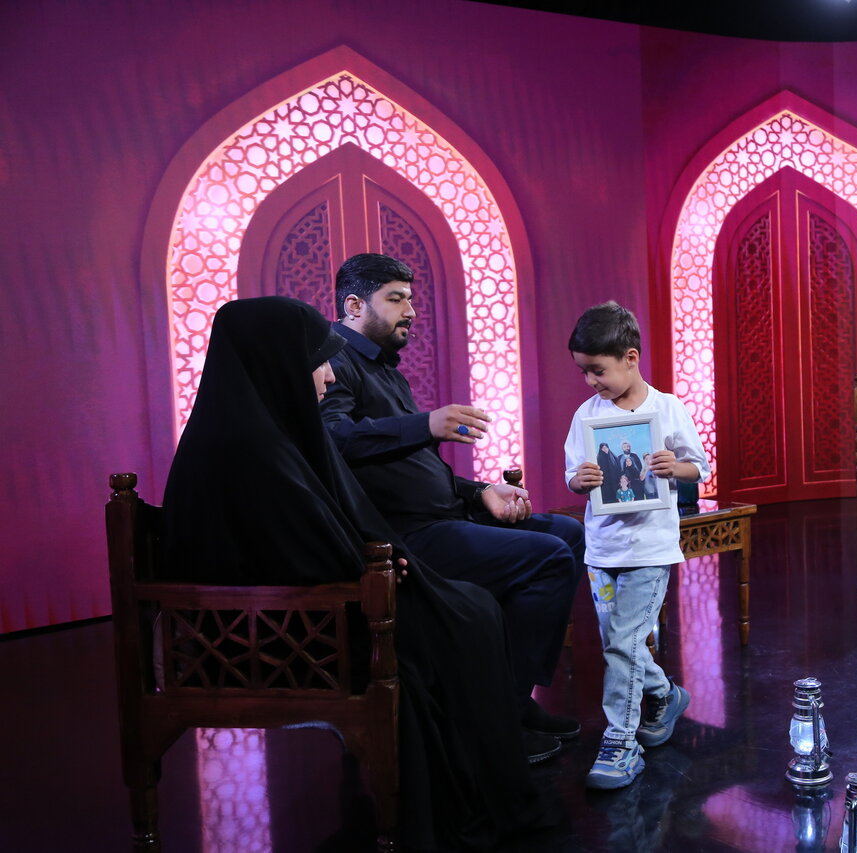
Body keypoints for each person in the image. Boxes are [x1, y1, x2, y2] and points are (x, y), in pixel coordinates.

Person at [160, 296, 557, 850]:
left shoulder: (261, 431)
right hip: (265, 635)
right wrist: (371, 566)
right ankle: (479, 792)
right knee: (465, 618)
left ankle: (485, 773)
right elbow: (285, 552)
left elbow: (312, 531)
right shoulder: (244, 445)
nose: (327, 375)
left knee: (469, 608)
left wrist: (375, 557)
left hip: (298, 610)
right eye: (316, 362)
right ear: (279, 363)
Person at [319, 253, 585, 762]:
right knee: (549, 557)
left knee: (568, 534)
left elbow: (413, 467)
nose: (411, 311)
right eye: (396, 299)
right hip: (402, 538)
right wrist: (425, 424)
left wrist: (479, 491)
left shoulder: (384, 368)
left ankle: (508, 699)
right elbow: (334, 441)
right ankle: (499, 714)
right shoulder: (336, 364)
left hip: (443, 516)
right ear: (353, 306)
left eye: (411, 299)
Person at [564, 300, 710, 789]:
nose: (591, 382)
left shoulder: (666, 409)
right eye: (584, 372)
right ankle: (666, 694)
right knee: (619, 643)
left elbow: (698, 468)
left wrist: (675, 467)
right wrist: (580, 480)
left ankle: (621, 742)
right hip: (602, 550)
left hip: (649, 550)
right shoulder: (587, 416)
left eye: (597, 370)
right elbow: (572, 475)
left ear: (631, 357)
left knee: (623, 644)